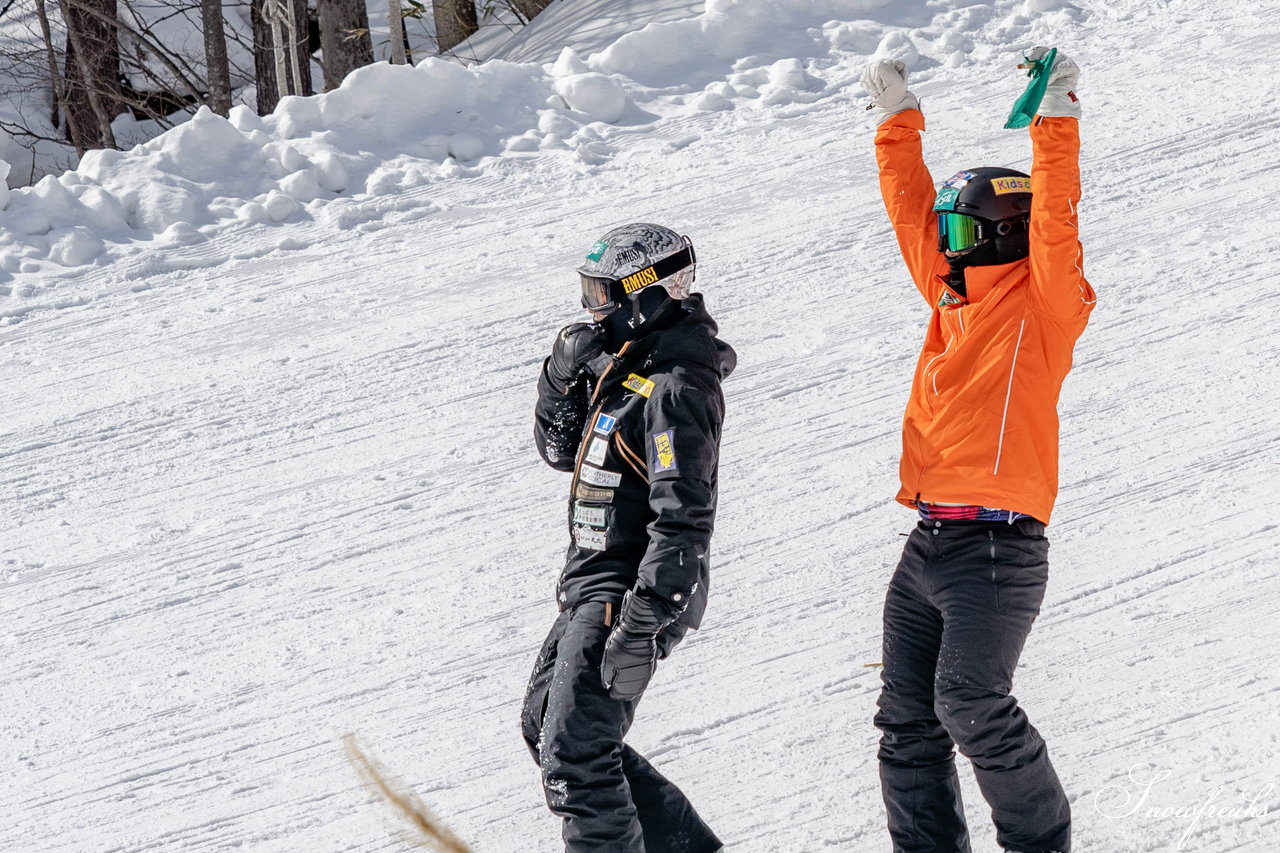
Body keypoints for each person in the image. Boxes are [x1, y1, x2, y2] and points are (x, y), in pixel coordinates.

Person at [859, 47, 1095, 853]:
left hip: (997, 546)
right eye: (951, 232)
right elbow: (909, 211)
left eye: (963, 230)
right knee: (905, 720)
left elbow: (1057, 220)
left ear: (1004, 233)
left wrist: (1055, 119)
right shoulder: (955, 293)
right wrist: (896, 118)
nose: (946, 245)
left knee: (969, 701)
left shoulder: (1043, 305)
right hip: (929, 539)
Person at [521, 223, 734, 853]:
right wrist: (559, 377)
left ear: (646, 292)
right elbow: (561, 452)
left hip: (628, 591)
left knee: (577, 759)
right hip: (590, 583)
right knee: (545, 728)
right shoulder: (629, 366)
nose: (591, 310)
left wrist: (642, 624)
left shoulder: (676, 387)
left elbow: (685, 519)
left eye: (601, 294)